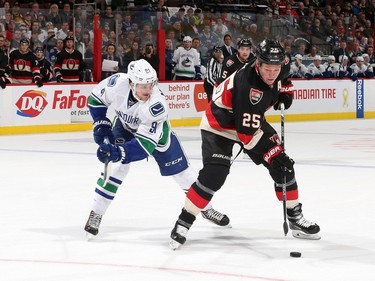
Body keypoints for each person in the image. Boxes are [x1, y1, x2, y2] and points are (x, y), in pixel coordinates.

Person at [169, 39, 320, 250]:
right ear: (258, 64)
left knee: (284, 167)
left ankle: (294, 215)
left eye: (276, 69)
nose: (272, 74)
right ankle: (184, 221)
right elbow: (246, 135)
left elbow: (284, 77)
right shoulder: (249, 88)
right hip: (220, 125)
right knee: (214, 176)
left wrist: (285, 91)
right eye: (267, 69)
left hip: (250, 120)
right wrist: (270, 156)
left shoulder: (280, 64)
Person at [84, 59, 230, 237]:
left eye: (151, 85)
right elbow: (96, 99)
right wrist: (100, 123)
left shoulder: (156, 105)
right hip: (124, 128)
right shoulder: (117, 82)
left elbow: (144, 145)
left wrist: (118, 152)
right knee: (115, 169)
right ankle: (96, 213)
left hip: (159, 137)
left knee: (184, 175)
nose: (148, 90)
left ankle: (206, 208)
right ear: (131, 83)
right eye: (143, 86)